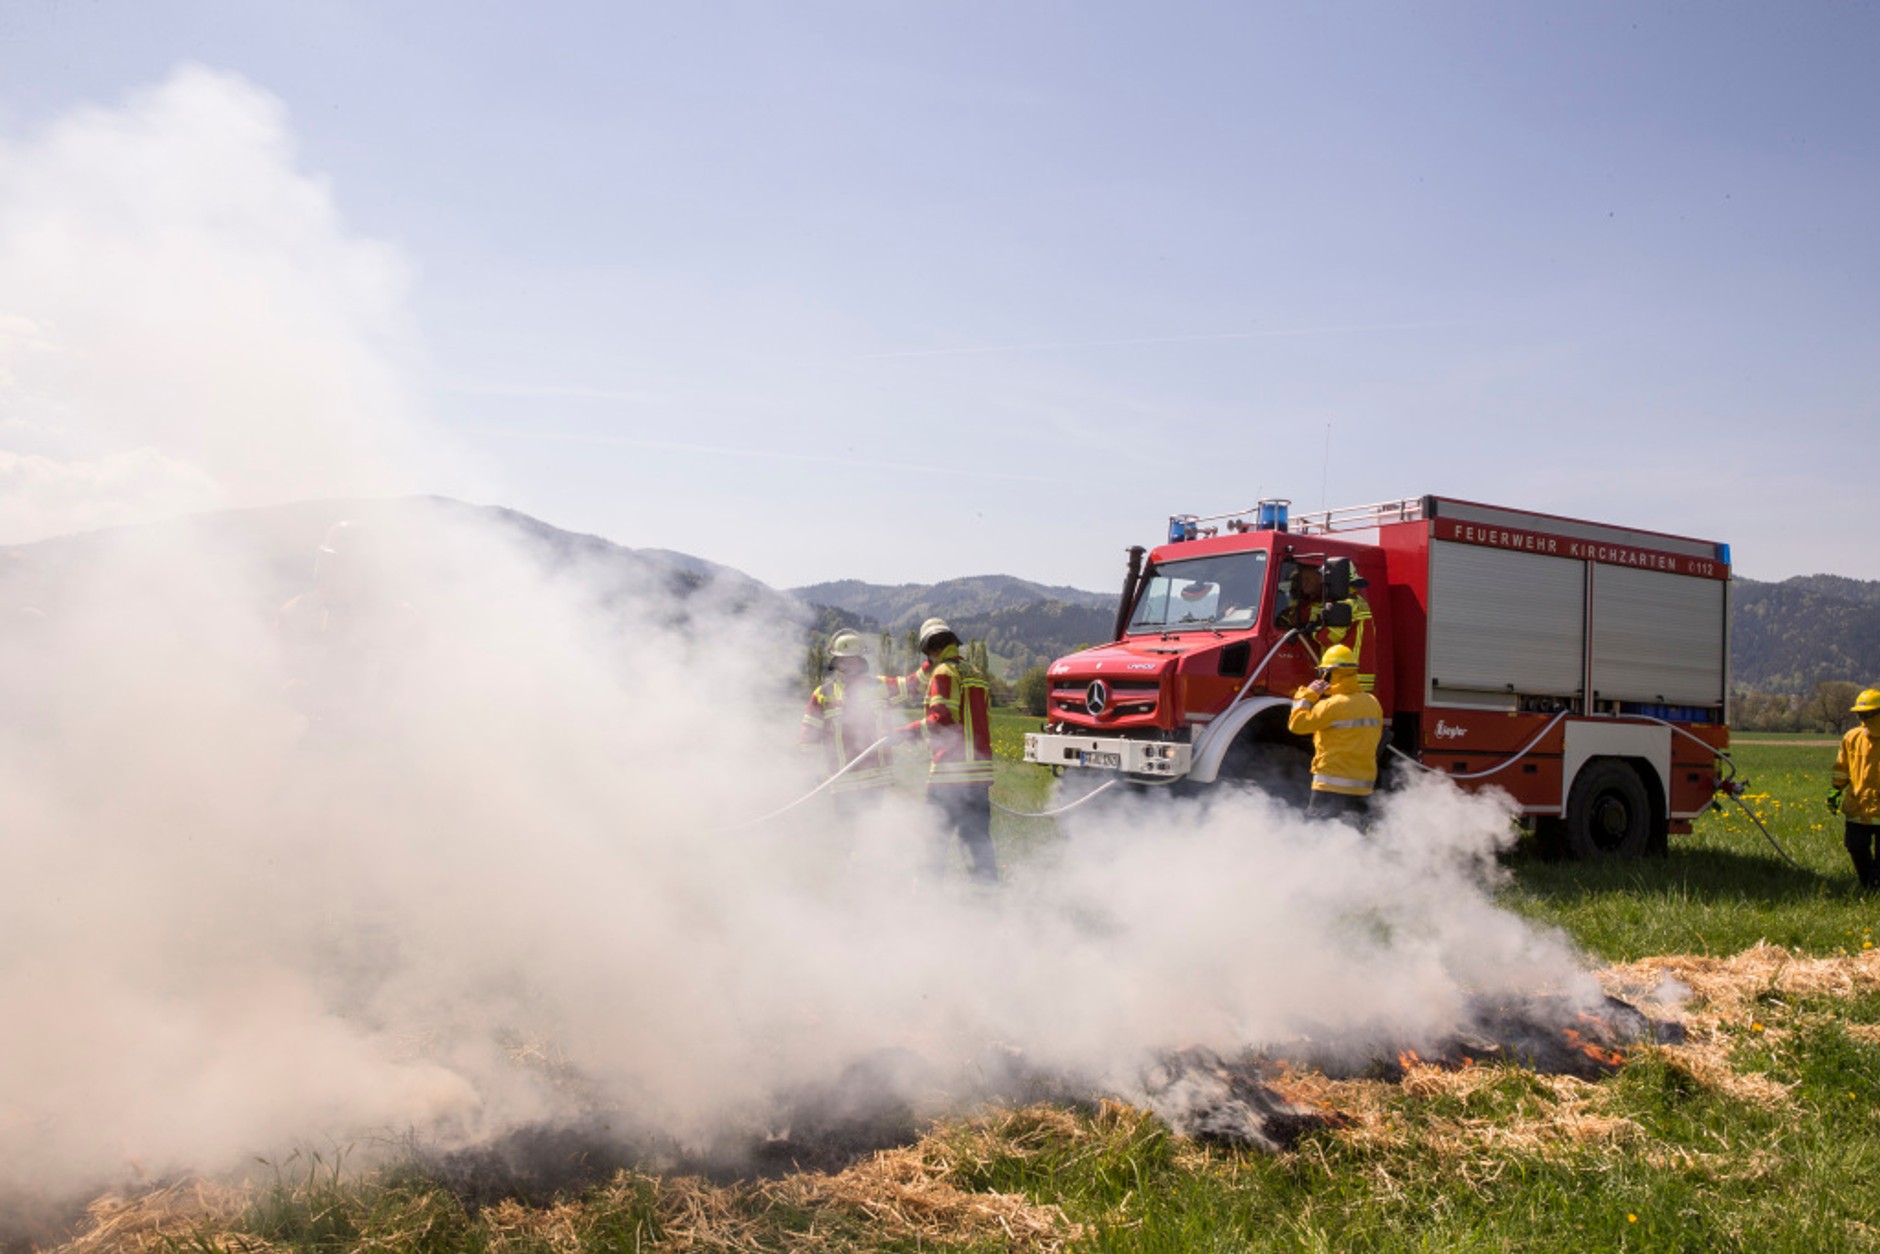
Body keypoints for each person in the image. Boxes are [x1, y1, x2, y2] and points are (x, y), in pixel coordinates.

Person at [898, 617, 998, 882]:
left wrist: (902, 734)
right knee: (978, 846)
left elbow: (941, 720)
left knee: (933, 843)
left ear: (931, 649)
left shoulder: (944, 672)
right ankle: (988, 903)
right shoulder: (975, 672)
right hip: (977, 777)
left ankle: (928, 904)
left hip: (949, 776)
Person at [798, 629, 897, 818]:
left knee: (872, 833)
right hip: (842, 782)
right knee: (849, 838)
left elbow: (912, 684)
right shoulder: (823, 694)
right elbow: (808, 737)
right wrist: (809, 770)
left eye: (853, 660)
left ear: (861, 661)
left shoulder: (879, 687)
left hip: (875, 780)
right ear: (836, 663)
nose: (849, 665)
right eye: (844, 660)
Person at [1286, 643, 1385, 824]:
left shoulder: (1332, 706)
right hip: (1362, 788)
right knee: (1354, 839)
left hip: (1330, 787)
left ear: (1331, 673)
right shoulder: (1372, 703)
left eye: (1323, 672)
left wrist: (1308, 695)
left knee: (1320, 839)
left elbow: (1296, 725)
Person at [1830, 688, 1880, 891]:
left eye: (1867, 714)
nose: (1863, 718)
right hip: (1858, 806)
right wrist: (1835, 790)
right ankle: (1868, 884)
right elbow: (1842, 769)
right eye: (1860, 714)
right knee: (1855, 846)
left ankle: (1875, 889)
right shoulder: (1852, 737)